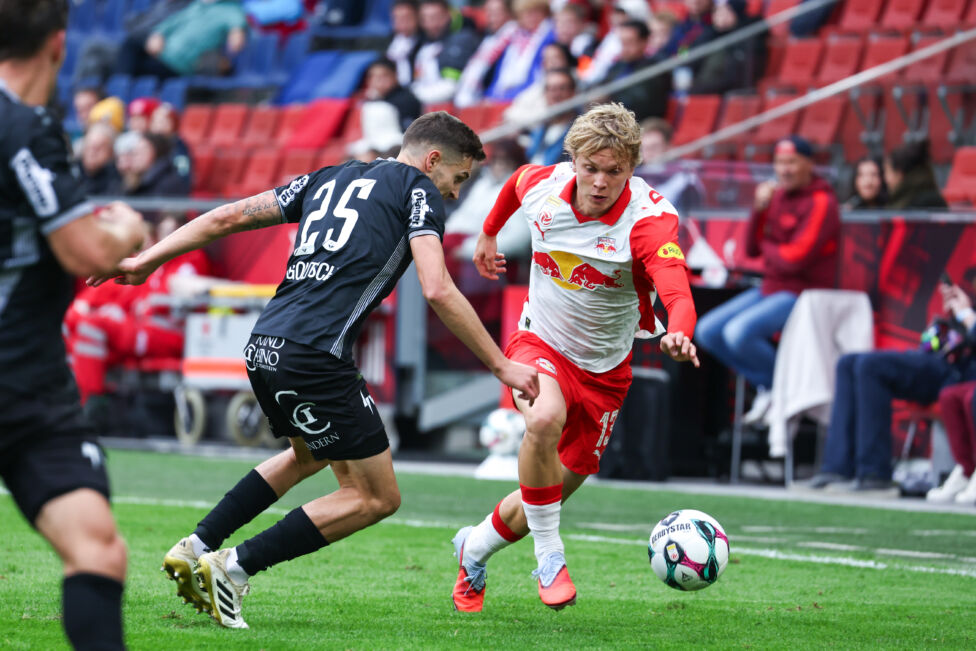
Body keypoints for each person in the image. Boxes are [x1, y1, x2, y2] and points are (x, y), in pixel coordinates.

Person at [89, 111, 539, 629]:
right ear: (432, 159)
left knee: (308, 455)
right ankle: (232, 569)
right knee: (376, 497)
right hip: (315, 355)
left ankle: (197, 545)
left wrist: (147, 259)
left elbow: (227, 217)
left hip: (266, 343)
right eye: (458, 177)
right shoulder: (418, 190)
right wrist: (501, 365)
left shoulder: (330, 177)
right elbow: (437, 288)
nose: (455, 192)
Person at [450, 103, 699, 613]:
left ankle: (473, 549)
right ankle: (550, 556)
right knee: (543, 418)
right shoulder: (545, 185)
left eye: (615, 171)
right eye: (591, 167)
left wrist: (680, 332)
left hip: (604, 372)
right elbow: (516, 181)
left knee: (544, 494)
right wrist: (488, 233)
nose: (600, 181)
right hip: (539, 341)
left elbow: (677, 291)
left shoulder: (649, 221)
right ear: (573, 161)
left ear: (632, 168)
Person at [0, 1, 147, 648]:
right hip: (20, 379)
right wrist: (126, 227)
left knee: (98, 549)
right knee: (95, 551)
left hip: (29, 385)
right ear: (59, 45)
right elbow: (86, 253)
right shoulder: (25, 126)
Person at [694, 135, 840, 425]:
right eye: (779, 162)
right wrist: (758, 210)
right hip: (772, 287)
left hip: (805, 292)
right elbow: (751, 249)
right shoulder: (776, 196)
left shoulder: (822, 201)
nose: (784, 169)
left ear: (809, 164)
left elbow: (795, 259)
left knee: (738, 334)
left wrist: (770, 248)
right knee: (706, 331)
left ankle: (783, 390)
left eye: (791, 162)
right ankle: (772, 386)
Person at [807, 281, 976, 496]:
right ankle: (837, 468)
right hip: (937, 355)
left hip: (957, 372)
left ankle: (874, 474)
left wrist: (966, 315)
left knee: (869, 366)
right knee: (847, 363)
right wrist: (957, 311)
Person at [115, 0, 248, 79]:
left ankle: (117, 96)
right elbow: (171, 22)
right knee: (128, 59)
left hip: (178, 65)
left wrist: (235, 40)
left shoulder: (232, 10)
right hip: (161, 54)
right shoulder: (197, 5)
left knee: (130, 46)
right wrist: (158, 34)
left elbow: (236, 37)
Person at [598, 19, 670, 122]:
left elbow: (641, 103)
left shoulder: (655, 69)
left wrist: (608, 98)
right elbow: (602, 84)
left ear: (644, 42)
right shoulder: (618, 65)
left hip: (640, 123)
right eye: (622, 42)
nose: (624, 48)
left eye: (629, 42)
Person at [410, 0, 481, 105]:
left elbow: (451, 86)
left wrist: (411, 97)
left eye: (435, 17)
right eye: (425, 19)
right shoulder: (421, 46)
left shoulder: (461, 40)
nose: (430, 24)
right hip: (425, 105)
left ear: (448, 15)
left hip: (453, 108)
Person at [454, 0, 517, 108]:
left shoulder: (514, 38)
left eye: (496, 13)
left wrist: (490, 96)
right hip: (478, 101)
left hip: (501, 100)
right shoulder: (487, 39)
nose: (491, 18)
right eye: (488, 12)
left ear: (509, 13)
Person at [524, 67, 577, 166]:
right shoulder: (539, 129)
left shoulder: (580, 130)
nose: (556, 95)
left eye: (562, 88)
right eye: (551, 89)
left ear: (572, 93)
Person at [884, 140, 948, 210]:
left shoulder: (921, 203)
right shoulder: (904, 199)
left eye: (887, 172)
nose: (886, 179)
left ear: (899, 174)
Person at [80, 122, 122, 196]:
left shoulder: (119, 177)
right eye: (89, 147)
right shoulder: (74, 172)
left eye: (98, 148)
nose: (92, 153)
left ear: (111, 151)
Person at [386, 0, 421, 86]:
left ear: (418, 17)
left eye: (406, 18)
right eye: (396, 18)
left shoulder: (427, 43)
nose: (402, 22)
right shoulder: (387, 42)